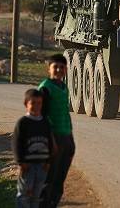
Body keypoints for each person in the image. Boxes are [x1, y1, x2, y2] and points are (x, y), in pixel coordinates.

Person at [38, 54, 74, 208]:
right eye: (55, 67)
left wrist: (71, 140)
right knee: (48, 179)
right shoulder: (45, 88)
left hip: (66, 138)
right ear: (49, 69)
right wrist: (51, 141)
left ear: (66, 70)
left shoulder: (63, 87)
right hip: (52, 140)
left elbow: (64, 113)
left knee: (59, 179)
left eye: (62, 67)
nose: (59, 70)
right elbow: (42, 117)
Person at [12, 89, 53, 208]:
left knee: (36, 196)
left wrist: (48, 162)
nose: (36, 106)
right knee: (24, 195)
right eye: (33, 103)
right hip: (28, 167)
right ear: (26, 104)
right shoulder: (23, 122)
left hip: (42, 166)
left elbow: (50, 142)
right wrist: (21, 162)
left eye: (39, 103)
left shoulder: (45, 122)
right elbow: (16, 143)